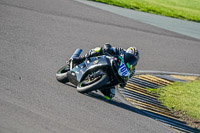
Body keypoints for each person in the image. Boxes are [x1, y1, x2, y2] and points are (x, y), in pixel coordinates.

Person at [71, 43, 140, 99]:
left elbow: (125, 82)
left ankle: (97, 84)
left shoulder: (132, 70)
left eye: (134, 60)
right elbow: (109, 47)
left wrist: (124, 82)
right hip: (106, 61)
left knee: (110, 95)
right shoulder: (121, 51)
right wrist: (107, 48)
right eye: (131, 56)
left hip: (113, 75)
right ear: (128, 52)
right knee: (98, 49)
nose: (132, 60)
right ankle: (81, 58)